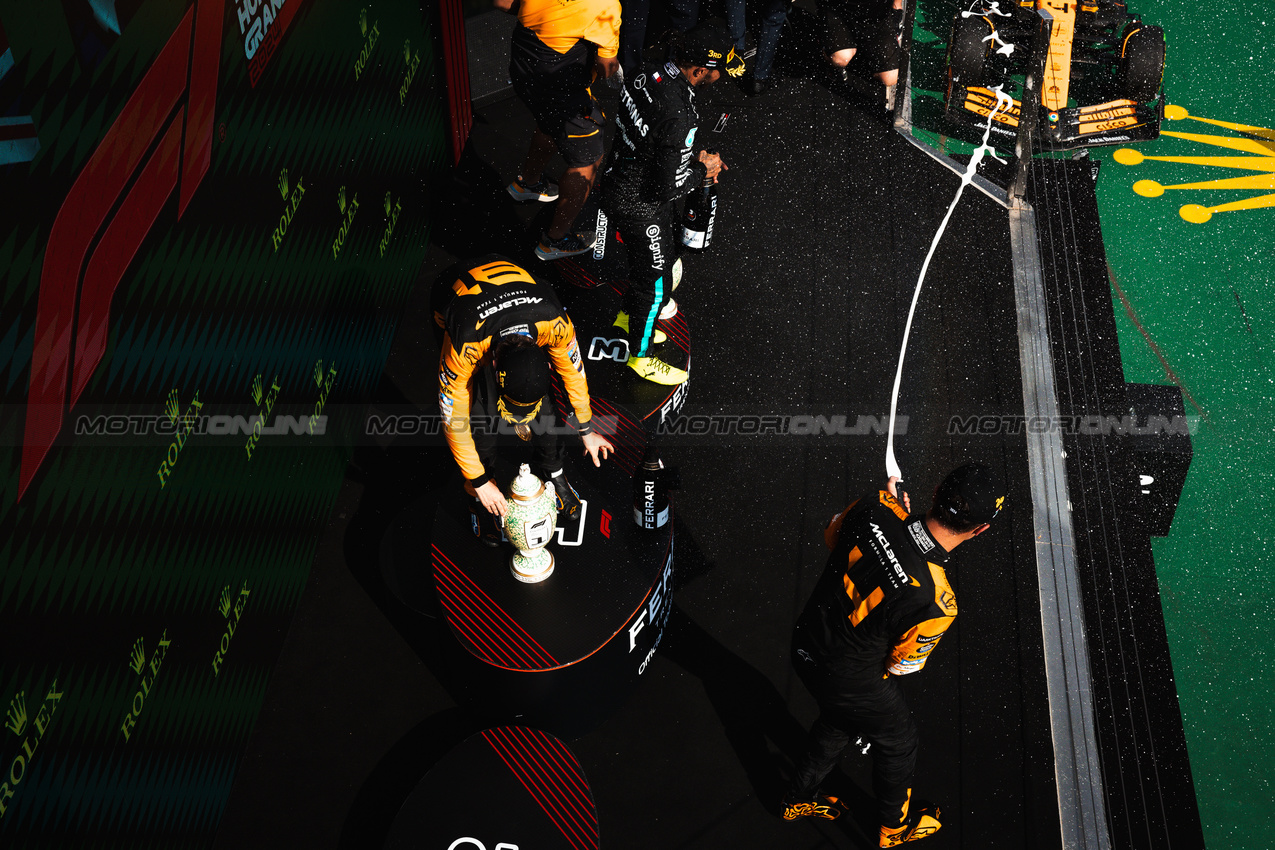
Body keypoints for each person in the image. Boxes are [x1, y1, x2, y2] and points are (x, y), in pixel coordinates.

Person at [781, 463, 1006, 847]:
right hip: (847, 678)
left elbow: (832, 536)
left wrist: (894, 512)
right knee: (899, 742)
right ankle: (892, 831)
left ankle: (796, 799)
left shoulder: (874, 505)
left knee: (840, 719)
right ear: (980, 529)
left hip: (805, 642)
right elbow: (902, 666)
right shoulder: (937, 602)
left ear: (935, 491)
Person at [598, 21, 741, 386]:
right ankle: (640, 357)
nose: (720, 75)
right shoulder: (681, 115)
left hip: (618, 180)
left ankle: (626, 318)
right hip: (640, 204)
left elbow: (652, 141)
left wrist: (686, 159)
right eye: (717, 69)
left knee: (647, 263)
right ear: (698, 69)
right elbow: (670, 188)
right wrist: (702, 168)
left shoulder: (646, 71)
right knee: (657, 282)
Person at [434, 256, 614, 544]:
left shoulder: (554, 324)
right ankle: (477, 498)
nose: (519, 421)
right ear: (494, 366)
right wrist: (479, 482)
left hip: (522, 296)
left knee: (545, 407)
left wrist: (586, 428)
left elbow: (573, 372)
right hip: (455, 300)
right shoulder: (466, 346)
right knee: (480, 415)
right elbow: (453, 418)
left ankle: (553, 472)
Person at [499, 0, 622, 261]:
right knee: (587, 161)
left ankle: (528, 184)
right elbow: (606, 67)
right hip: (561, 89)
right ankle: (556, 240)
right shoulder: (606, 4)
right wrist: (614, 65)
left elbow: (502, 2)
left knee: (548, 122)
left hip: (524, 68)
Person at [820, 0, 904, 110]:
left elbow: (896, 6)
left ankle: (860, 47)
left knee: (890, 78)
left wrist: (896, 9)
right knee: (840, 59)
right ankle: (828, 48)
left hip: (876, 17)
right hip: (839, 9)